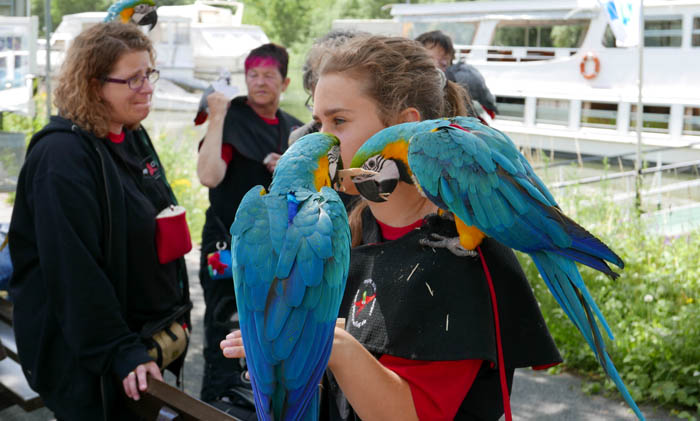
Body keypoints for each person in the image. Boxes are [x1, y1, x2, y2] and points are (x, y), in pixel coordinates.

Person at [222, 35, 562, 420]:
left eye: (339, 121)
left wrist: (324, 343)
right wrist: (285, 368)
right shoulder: (336, 227)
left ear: (404, 126)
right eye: (318, 122)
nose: (320, 140)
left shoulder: (463, 258)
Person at [8, 22, 191, 420]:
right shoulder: (61, 158)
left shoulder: (130, 134)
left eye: (149, 74)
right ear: (93, 86)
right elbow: (74, 271)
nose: (147, 87)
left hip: (141, 336)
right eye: (132, 79)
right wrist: (118, 350)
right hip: (88, 357)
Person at [196, 42, 302, 417]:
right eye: (252, 75)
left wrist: (286, 166)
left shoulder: (292, 129)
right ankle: (217, 401)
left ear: (285, 81)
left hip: (274, 253)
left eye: (268, 75)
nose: (259, 82)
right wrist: (217, 116)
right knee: (225, 322)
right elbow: (209, 175)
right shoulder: (233, 119)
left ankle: (261, 400)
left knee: (270, 325)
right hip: (224, 246)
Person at [416, 30, 500, 120]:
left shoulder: (460, 77)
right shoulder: (414, 84)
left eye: (445, 58)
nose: (442, 63)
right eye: (431, 58)